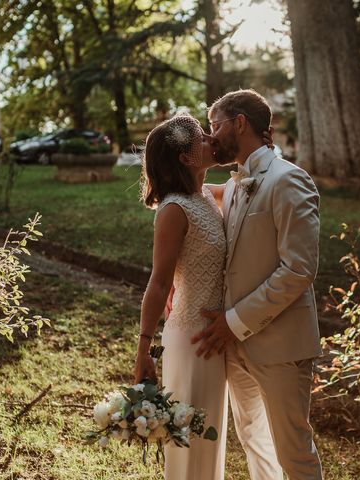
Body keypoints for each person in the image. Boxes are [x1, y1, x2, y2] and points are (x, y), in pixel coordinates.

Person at [191, 89, 324, 480]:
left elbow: (298, 270)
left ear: (240, 123)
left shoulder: (289, 180)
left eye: (215, 126)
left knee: (294, 452)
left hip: (280, 344)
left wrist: (233, 321)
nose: (211, 137)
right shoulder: (234, 185)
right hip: (235, 345)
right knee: (253, 441)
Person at [133, 114, 228, 480]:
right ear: (187, 157)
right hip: (191, 339)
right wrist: (144, 348)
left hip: (215, 336)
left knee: (208, 442)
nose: (211, 140)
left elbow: (246, 187)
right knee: (189, 441)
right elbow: (158, 283)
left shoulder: (204, 194)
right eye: (204, 138)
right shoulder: (174, 209)